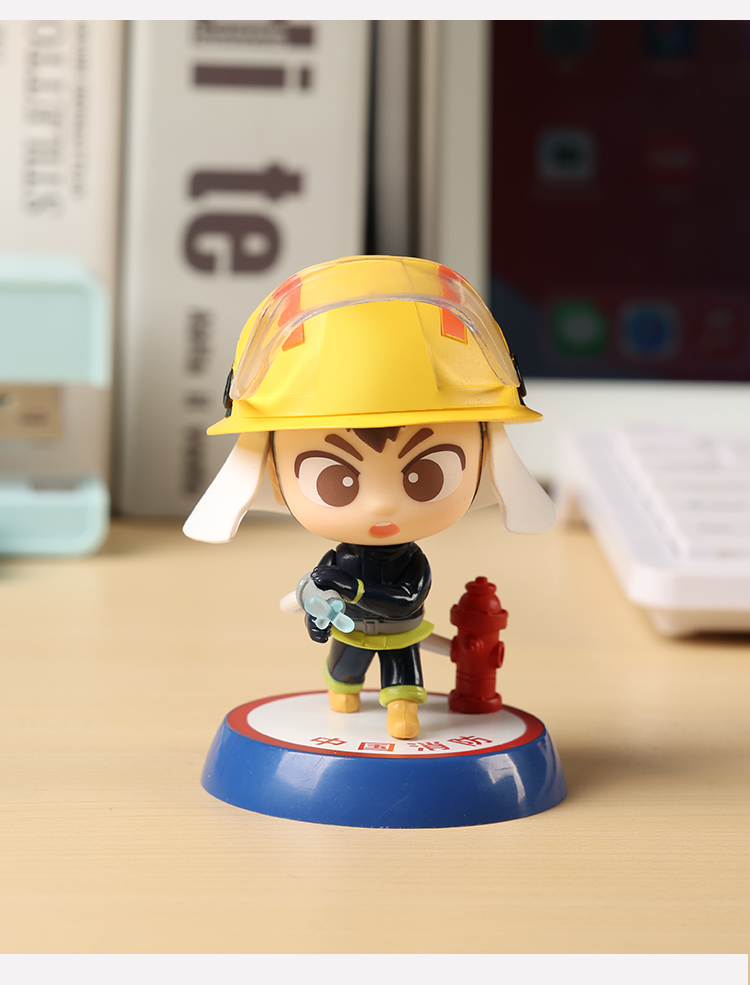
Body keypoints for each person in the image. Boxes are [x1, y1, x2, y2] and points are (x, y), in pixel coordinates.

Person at [183, 255, 556, 739]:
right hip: (349, 634)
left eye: (425, 475)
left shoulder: (408, 563)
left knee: (403, 684)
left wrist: (349, 588)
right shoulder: (336, 561)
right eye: (336, 480)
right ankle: (344, 691)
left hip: (401, 636)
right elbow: (313, 598)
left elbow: (405, 600)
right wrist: (316, 611)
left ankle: (401, 707)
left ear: (488, 456)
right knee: (343, 680)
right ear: (269, 467)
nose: (381, 504)